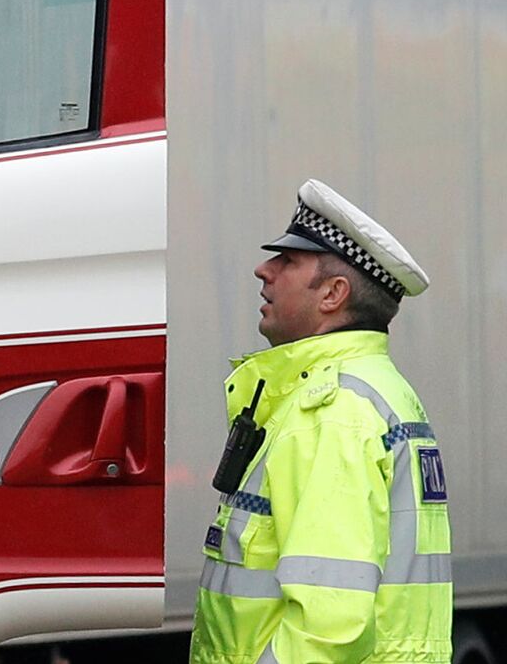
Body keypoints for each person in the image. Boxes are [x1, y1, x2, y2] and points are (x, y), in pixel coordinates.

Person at [190, 179, 451, 664]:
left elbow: (328, 627)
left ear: (333, 294)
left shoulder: (332, 413)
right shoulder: (374, 390)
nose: (264, 270)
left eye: (288, 260)